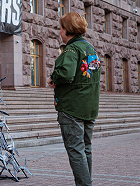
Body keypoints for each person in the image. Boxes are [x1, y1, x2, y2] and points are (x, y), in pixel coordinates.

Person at [48, 12, 101, 186]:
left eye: (61, 28)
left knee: (76, 151)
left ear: (67, 30)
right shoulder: (90, 48)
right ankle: (87, 181)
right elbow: (85, 76)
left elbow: (66, 74)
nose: (60, 33)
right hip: (89, 106)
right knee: (86, 149)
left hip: (72, 107)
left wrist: (54, 78)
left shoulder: (71, 49)